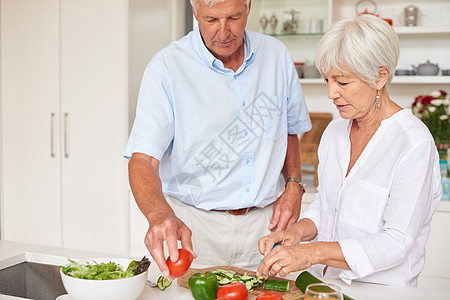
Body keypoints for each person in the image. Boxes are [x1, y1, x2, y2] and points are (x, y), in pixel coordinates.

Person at [124, 0, 311, 279]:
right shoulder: (166, 68)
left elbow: (289, 128)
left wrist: (294, 184)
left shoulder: (276, 55)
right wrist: (158, 214)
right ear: (194, 11)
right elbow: (143, 160)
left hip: (266, 227)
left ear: (248, 6)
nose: (223, 32)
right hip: (195, 230)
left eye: (233, 17)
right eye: (211, 20)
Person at [256, 14, 442, 287]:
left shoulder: (413, 143)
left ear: (380, 77)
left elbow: (396, 241)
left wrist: (312, 253)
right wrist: (296, 234)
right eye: (327, 80)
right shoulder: (335, 132)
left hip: (383, 291)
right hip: (324, 286)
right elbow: (326, 206)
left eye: (342, 82)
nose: (332, 93)